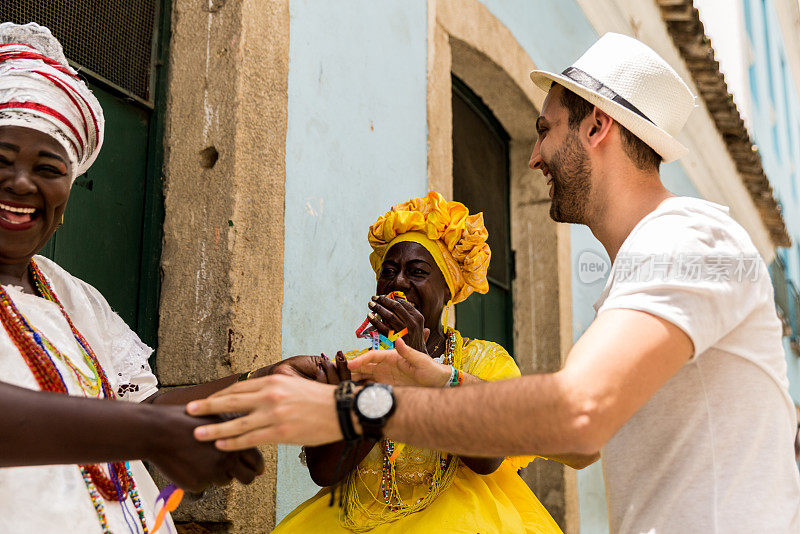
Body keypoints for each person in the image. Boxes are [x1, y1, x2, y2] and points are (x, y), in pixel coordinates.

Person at [188, 33, 800, 532]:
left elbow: (578, 414)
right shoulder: (645, 263)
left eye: (544, 129)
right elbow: (582, 447)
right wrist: (437, 377)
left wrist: (353, 410)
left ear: (596, 128)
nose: (534, 157)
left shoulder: (686, 239)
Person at [0, 22, 319, 533]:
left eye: (48, 168)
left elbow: (141, 405)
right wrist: (149, 433)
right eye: (2, 158)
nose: (20, 182)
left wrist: (258, 385)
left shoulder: (72, 296)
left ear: (69, 189)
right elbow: (146, 422)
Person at [272, 191, 566, 533]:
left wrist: (420, 366)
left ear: (448, 289)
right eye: (390, 271)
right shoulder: (353, 366)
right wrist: (381, 380)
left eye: (417, 271)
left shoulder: (485, 362)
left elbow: (487, 460)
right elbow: (324, 472)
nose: (398, 281)